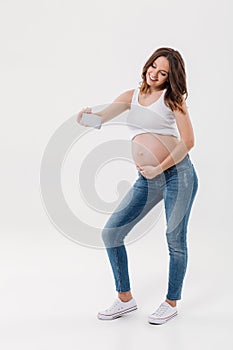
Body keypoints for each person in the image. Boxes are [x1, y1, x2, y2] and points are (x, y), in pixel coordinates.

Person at [77, 47, 198, 325]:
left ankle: (171, 303)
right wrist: (85, 119)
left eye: (163, 72)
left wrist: (160, 166)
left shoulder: (172, 100)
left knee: (174, 239)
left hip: (178, 175)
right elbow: (101, 119)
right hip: (147, 180)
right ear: (147, 65)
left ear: (170, 77)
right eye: (153, 66)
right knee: (112, 233)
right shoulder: (130, 97)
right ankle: (125, 299)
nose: (154, 74)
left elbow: (188, 142)